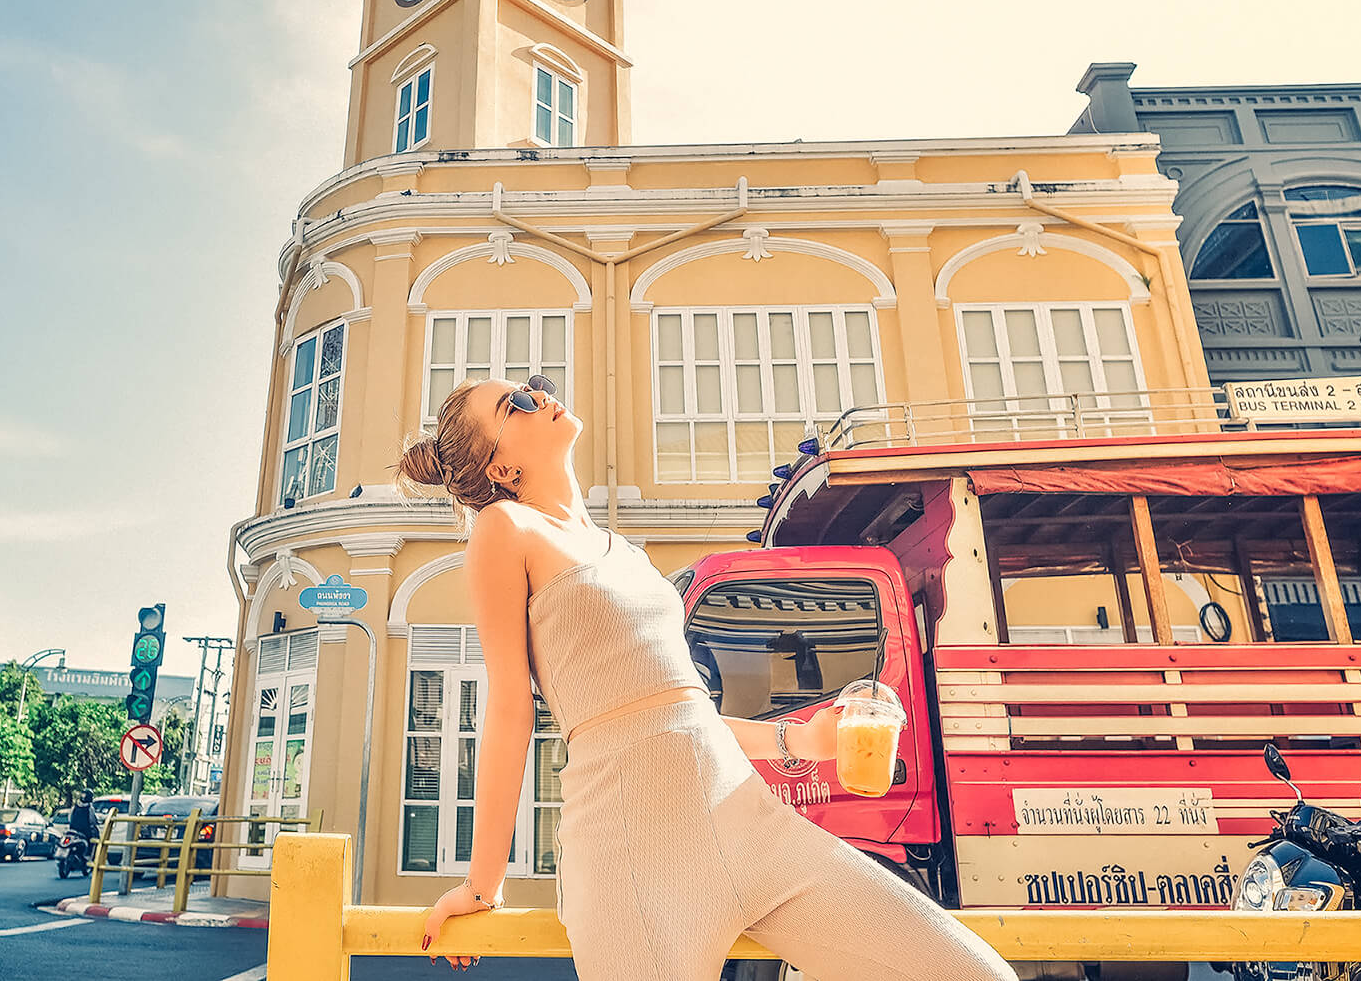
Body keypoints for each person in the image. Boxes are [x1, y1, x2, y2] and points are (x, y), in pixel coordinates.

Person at [402, 377, 1014, 981]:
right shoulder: (505, 527)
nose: (542, 394)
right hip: (630, 846)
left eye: (535, 384)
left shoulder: (627, 555)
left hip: (747, 822)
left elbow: (678, 709)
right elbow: (510, 705)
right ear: (502, 470)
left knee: (972, 973)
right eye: (518, 403)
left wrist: (799, 740)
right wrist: (482, 884)